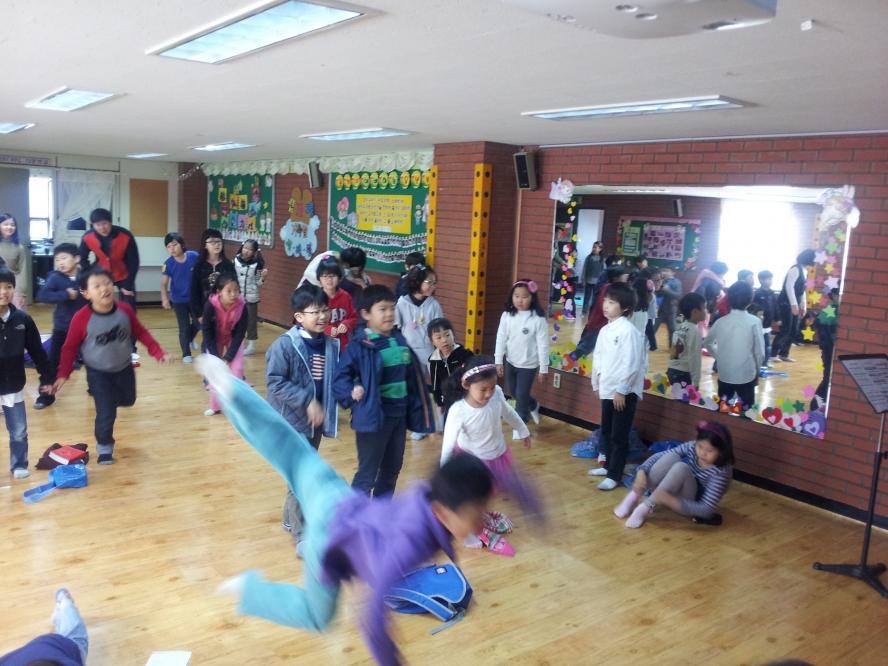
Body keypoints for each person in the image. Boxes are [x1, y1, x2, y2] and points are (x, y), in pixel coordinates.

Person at [200, 353, 492, 666]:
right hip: (328, 542)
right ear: (444, 514)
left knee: (294, 453)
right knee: (316, 616)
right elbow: (372, 618)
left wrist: (525, 502)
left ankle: (231, 390)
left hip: (336, 498)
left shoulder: (430, 492)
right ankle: (249, 591)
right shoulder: (408, 547)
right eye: (475, 516)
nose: (481, 524)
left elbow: (496, 481)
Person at [54, 267, 170, 464]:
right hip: (98, 372)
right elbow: (69, 348)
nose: (104, 289)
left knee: (129, 400)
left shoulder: (125, 310)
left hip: (124, 367)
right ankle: (104, 447)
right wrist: (63, 374)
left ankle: (108, 401)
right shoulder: (81, 318)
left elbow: (141, 332)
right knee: (106, 412)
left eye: (107, 283)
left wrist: (158, 352)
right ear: (86, 293)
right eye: (97, 286)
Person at [332, 285, 434, 497]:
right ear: (366, 314)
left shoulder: (399, 340)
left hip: (399, 417)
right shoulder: (360, 345)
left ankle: (381, 512)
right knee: (367, 474)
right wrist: (351, 389)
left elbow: (411, 377)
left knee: (391, 471)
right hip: (373, 418)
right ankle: (356, 515)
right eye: (383, 309)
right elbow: (340, 378)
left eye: (392, 308)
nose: (389, 314)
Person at [265, 284, 340, 545]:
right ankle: (301, 536)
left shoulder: (330, 344)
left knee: (299, 475)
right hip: (290, 423)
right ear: (299, 317)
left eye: (325, 310)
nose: (322, 316)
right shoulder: (284, 346)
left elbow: (335, 379)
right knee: (301, 477)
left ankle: (290, 520)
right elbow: (274, 383)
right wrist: (307, 400)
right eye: (315, 312)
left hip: (314, 423)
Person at [440, 356, 536, 556]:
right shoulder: (459, 410)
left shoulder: (497, 394)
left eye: (492, 387)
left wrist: (523, 430)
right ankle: (468, 533)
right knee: (471, 501)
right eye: (483, 389)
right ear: (466, 385)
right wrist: (444, 475)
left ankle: (481, 516)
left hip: (496, 457)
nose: (488, 393)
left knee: (485, 496)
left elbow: (508, 412)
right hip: (472, 465)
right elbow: (448, 444)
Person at [614, 420, 734, 528]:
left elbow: (706, 509)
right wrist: (641, 471)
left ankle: (644, 507)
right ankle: (634, 496)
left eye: (709, 450)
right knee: (672, 456)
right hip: (671, 492)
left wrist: (670, 500)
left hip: (689, 505)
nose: (702, 453)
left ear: (721, 452)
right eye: (700, 446)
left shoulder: (721, 472)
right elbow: (661, 455)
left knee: (681, 467)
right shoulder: (692, 447)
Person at [588, 282, 647, 491]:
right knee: (606, 430)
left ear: (625, 308)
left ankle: (614, 475)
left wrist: (622, 390)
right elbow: (598, 359)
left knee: (619, 435)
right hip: (608, 389)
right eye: (605, 300)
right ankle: (607, 466)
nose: (606, 305)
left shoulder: (629, 331)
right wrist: (596, 383)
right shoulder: (605, 330)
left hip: (623, 393)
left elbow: (632, 363)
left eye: (612, 302)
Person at [0, 267, 52, 478]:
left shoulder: (23, 320)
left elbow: (37, 352)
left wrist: (46, 378)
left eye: (8, 287)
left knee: (19, 430)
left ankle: (19, 464)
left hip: (13, 383)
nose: (3, 292)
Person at [78, 208, 140, 353]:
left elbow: (134, 261)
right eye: (98, 225)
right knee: (95, 306)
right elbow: (82, 258)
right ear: (93, 225)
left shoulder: (125, 235)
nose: (102, 228)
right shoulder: (87, 237)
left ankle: (130, 347)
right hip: (101, 274)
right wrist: (89, 274)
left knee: (129, 310)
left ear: (110, 222)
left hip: (124, 275)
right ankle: (95, 340)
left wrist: (128, 285)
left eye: (105, 223)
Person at [34, 243, 87, 409]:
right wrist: (65, 294)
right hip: (62, 328)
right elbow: (42, 295)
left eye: (64, 258)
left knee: (94, 360)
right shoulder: (55, 277)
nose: (60, 263)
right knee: (52, 362)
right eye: (57, 260)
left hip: (86, 329)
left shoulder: (86, 276)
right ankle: (45, 396)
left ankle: (97, 388)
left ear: (77, 259)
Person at [494, 279, 549, 433]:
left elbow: (543, 345)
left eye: (524, 297)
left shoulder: (538, 319)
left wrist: (543, 368)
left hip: (529, 365)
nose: (520, 300)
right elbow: (501, 338)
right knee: (513, 392)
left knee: (521, 394)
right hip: (511, 361)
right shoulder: (507, 315)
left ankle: (521, 424)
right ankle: (532, 405)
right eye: (516, 296)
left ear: (532, 298)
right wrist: (498, 361)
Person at [703, 281, 765, 409]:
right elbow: (760, 353)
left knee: (723, 407)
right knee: (746, 410)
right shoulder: (754, 322)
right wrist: (757, 371)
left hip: (725, 373)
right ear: (750, 300)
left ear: (729, 299)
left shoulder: (720, 322)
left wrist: (719, 356)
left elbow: (707, 343)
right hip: (746, 375)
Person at [0, 588, 88, 665]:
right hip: (47, 646)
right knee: (75, 632)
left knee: (75, 634)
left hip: (54, 645)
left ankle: (64, 602)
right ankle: (64, 602)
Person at [202, 274, 248, 417]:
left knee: (237, 370)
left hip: (233, 339)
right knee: (216, 373)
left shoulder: (242, 306)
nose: (233, 294)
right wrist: (216, 357)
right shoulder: (210, 306)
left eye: (236, 290)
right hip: (215, 340)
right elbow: (207, 332)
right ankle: (215, 406)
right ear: (219, 292)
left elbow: (240, 333)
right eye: (229, 291)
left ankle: (236, 406)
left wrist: (229, 356)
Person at [572, 266, 628, 360]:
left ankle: (573, 362)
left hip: (599, 324)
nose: (627, 276)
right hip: (598, 324)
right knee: (583, 349)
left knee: (585, 347)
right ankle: (567, 361)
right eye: (624, 275)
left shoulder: (611, 288)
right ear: (616, 278)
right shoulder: (608, 289)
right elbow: (602, 306)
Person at [160, 232, 200, 363]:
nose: (172, 249)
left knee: (199, 322)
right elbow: (163, 284)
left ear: (182, 245)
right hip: (178, 300)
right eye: (168, 246)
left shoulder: (194, 256)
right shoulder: (168, 263)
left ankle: (190, 338)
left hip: (195, 298)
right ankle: (186, 354)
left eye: (174, 245)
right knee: (184, 327)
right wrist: (165, 298)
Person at [772, 249, 817, 363]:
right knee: (785, 329)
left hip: (795, 303)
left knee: (793, 329)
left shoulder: (804, 271)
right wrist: (793, 304)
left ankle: (784, 354)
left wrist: (803, 306)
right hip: (786, 304)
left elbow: (802, 291)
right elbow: (789, 286)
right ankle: (773, 354)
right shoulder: (795, 269)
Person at [190, 228, 236, 330]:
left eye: (219, 241)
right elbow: (194, 292)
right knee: (208, 338)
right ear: (205, 245)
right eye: (212, 242)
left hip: (225, 311)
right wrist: (199, 314)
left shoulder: (228, 265)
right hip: (205, 311)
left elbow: (235, 289)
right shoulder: (199, 266)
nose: (216, 244)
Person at [427, 317, 474, 410]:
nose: (444, 340)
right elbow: (436, 383)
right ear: (432, 342)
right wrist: (439, 402)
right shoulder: (434, 361)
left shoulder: (465, 354)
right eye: (438, 337)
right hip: (448, 401)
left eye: (447, 335)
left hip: (466, 399)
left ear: (453, 335)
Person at [234, 239, 268, 356]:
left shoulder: (257, 264)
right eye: (245, 248)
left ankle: (251, 345)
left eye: (250, 249)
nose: (246, 251)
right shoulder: (235, 261)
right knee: (236, 320)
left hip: (251, 296)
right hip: (237, 296)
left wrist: (263, 277)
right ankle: (237, 343)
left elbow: (258, 283)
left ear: (254, 252)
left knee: (251, 321)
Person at [316, 254, 357, 350]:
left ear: (339, 277)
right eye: (325, 276)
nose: (329, 279)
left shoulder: (346, 296)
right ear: (319, 279)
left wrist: (346, 324)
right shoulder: (316, 298)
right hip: (322, 345)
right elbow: (312, 322)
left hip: (342, 344)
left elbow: (353, 317)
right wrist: (327, 329)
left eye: (333, 276)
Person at [667, 292, 707, 388]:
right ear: (695, 312)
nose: (706, 311)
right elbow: (695, 358)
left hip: (672, 370)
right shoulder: (695, 331)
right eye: (704, 308)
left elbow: (673, 351)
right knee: (685, 398)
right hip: (684, 374)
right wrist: (695, 382)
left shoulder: (680, 327)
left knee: (678, 396)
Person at [812, 288, 839, 410]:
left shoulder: (838, 308)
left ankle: (820, 401)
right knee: (828, 376)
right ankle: (816, 403)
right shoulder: (832, 308)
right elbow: (819, 324)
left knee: (829, 376)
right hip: (829, 349)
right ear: (834, 296)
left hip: (830, 349)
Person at [691, 261, 728, 337]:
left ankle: (700, 340)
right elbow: (701, 291)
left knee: (702, 325)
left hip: (706, 306)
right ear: (720, 271)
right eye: (724, 272)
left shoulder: (714, 280)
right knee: (700, 325)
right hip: (701, 305)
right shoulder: (708, 277)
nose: (723, 275)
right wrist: (703, 307)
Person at [753, 270, 780, 364]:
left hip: (768, 324)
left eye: (771, 279)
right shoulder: (757, 293)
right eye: (768, 279)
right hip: (759, 324)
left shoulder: (772, 293)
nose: (770, 281)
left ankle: (765, 363)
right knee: (760, 344)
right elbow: (755, 309)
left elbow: (776, 307)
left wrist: (777, 319)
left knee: (767, 345)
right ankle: (760, 362)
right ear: (761, 280)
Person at [0, 213, 26, 308]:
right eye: (6, 224)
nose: (9, 227)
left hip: (12, 287)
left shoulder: (19, 247)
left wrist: (21, 293)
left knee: (16, 313)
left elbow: (22, 272)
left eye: (12, 225)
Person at [653, 266, 682, 344]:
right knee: (653, 327)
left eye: (667, 271)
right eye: (663, 270)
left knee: (672, 329)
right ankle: (647, 344)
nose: (664, 272)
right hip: (659, 309)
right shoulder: (661, 281)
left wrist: (668, 290)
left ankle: (672, 346)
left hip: (671, 309)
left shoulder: (677, 282)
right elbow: (657, 294)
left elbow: (678, 295)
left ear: (673, 273)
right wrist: (658, 287)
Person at [581, 242, 604, 315]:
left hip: (597, 283)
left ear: (600, 249)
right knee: (586, 297)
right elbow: (584, 269)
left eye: (596, 247)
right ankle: (584, 311)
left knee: (595, 298)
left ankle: (593, 312)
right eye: (593, 247)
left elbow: (604, 271)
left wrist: (603, 282)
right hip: (588, 281)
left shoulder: (602, 259)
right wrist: (583, 280)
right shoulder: (588, 258)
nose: (594, 249)